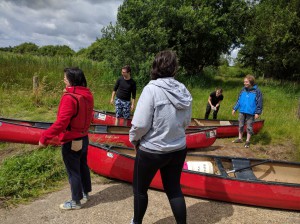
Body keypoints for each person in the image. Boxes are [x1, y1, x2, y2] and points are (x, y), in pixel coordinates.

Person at [129, 50, 192, 224]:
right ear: (174, 69)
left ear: (155, 66)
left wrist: (134, 139)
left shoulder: (151, 90)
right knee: (173, 189)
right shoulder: (183, 90)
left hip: (152, 150)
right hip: (178, 148)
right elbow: (186, 121)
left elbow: (140, 124)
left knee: (140, 190)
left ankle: (137, 222)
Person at [39, 67, 94, 210]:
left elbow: (61, 122)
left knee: (73, 171)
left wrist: (45, 137)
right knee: (82, 166)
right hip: (84, 137)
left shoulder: (70, 98)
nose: (63, 79)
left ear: (72, 80)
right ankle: (85, 193)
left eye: (66, 78)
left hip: (71, 140)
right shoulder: (87, 95)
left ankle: (76, 202)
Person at [232, 74, 263, 148]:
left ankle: (247, 141)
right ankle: (240, 139)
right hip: (242, 111)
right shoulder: (242, 90)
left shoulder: (257, 91)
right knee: (241, 125)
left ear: (251, 82)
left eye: (246, 82)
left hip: (251, 112)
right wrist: (234, 108)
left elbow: (259, 102)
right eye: (244, 82)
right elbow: (239, 100)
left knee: (249, 126)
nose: (244, 83)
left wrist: (257, 112)